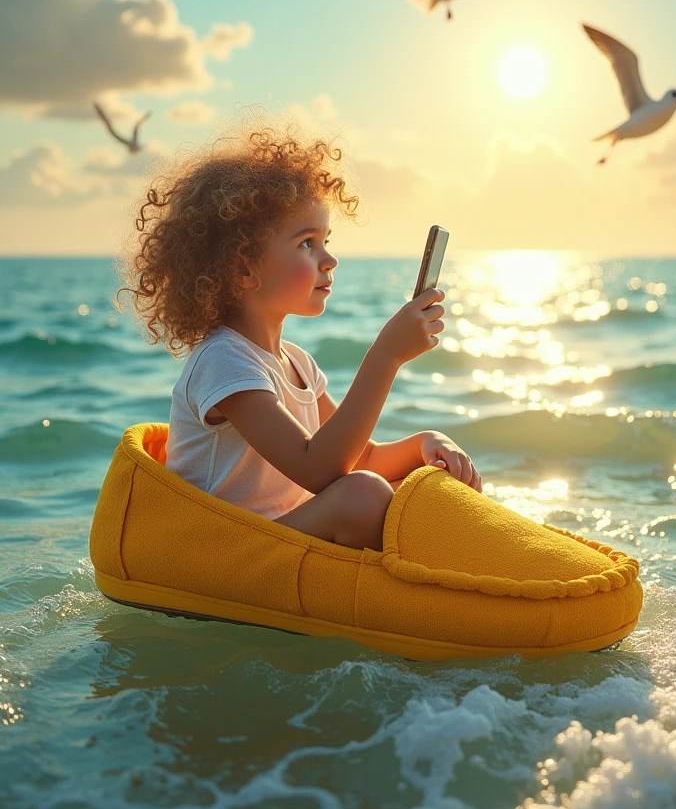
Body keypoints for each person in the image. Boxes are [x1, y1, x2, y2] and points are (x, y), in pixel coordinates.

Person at [119, 117, 482, 552]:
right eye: (307, 243)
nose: (329, 260)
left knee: (412, 486)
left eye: (326, 240)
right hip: (224, 555)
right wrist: (385, 357)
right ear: (242, 269)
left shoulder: (297, 363)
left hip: (280, 538)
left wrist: (425, 444)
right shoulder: (223, 362)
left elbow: (359, 457)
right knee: (363, 497)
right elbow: (320, 470)